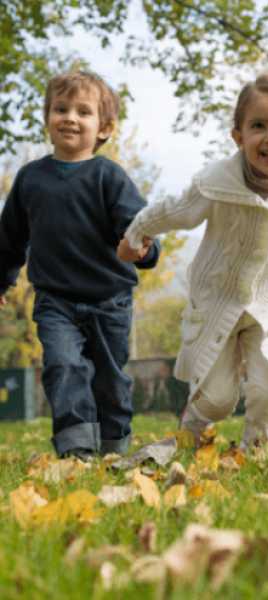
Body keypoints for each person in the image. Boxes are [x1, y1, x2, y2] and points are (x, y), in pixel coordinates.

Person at [119, 73, 268, 449]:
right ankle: (192, 432)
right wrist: (137, 232)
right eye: (258, 126)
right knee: (216, 397)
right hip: (217, 295)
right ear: (238, 136)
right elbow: (176, 211)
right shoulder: (216, 183)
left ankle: (259, 448)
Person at [0, 70, 161, 459]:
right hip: (56, 300)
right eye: (61, 109)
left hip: (110, 299)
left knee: (109, 377)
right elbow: (9, 238)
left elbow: (139, 227)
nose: (70, 117)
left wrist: (143, 250)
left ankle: (113, 444)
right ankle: (76, 449)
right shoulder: (30, 179)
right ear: (48, 120)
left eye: (83, 112)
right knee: (62, 366)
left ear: (104, 128)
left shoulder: (109, 176)